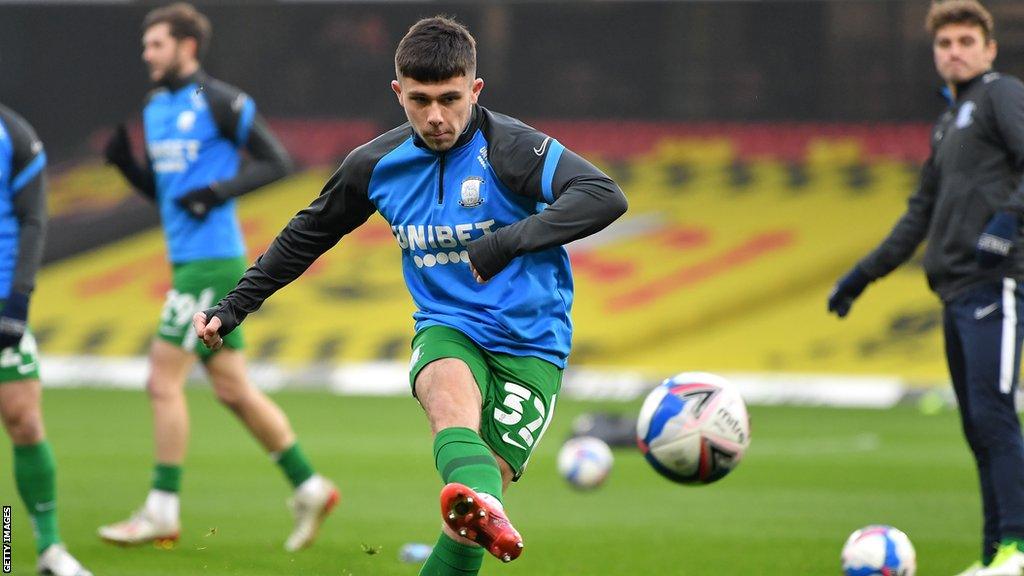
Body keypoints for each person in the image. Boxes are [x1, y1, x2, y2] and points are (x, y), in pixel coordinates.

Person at [193, 15, 627, 575]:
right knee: (450, 406)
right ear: (398, 93)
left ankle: (482, 506)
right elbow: (307, 235)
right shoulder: (376, 165)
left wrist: (508, 242)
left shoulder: (510, 149)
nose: (436, 117)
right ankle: (483, 503)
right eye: (420, 100)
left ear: (476, 90)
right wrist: (234, 306)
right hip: (448, 325)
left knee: (465, 519)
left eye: (450, 99)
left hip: (532, 342)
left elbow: (603, 195)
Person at [98, 2, 337, 552]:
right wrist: (127, 167)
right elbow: (167, 195)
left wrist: (215, 193)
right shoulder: (156, 105)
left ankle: (161, 508)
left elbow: (277, 160)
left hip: (212, 259)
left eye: (155, 43)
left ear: (187, 45)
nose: (146, 54)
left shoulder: (222, 101)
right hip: (188, 257)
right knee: (232, 389)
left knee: (162, 380)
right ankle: (311, 485)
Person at [829, 2, 1024, 574]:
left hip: (997, 282)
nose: (955, 51)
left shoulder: (1000, 95)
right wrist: (862, 275)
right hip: (957, 289)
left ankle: (1018, 546)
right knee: (977, 427)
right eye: (945, 44)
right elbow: (920, 215)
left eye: (966, 41)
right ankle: (997, 556)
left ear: (989, 49)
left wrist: (1007, 223)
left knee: (993, 416)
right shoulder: (949, 121)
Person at [0, 103, 92, 576]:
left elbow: (34, 220)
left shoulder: (15, 136)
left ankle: (47, 549)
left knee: (24, 420)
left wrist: (17, 302)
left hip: (1, 306)